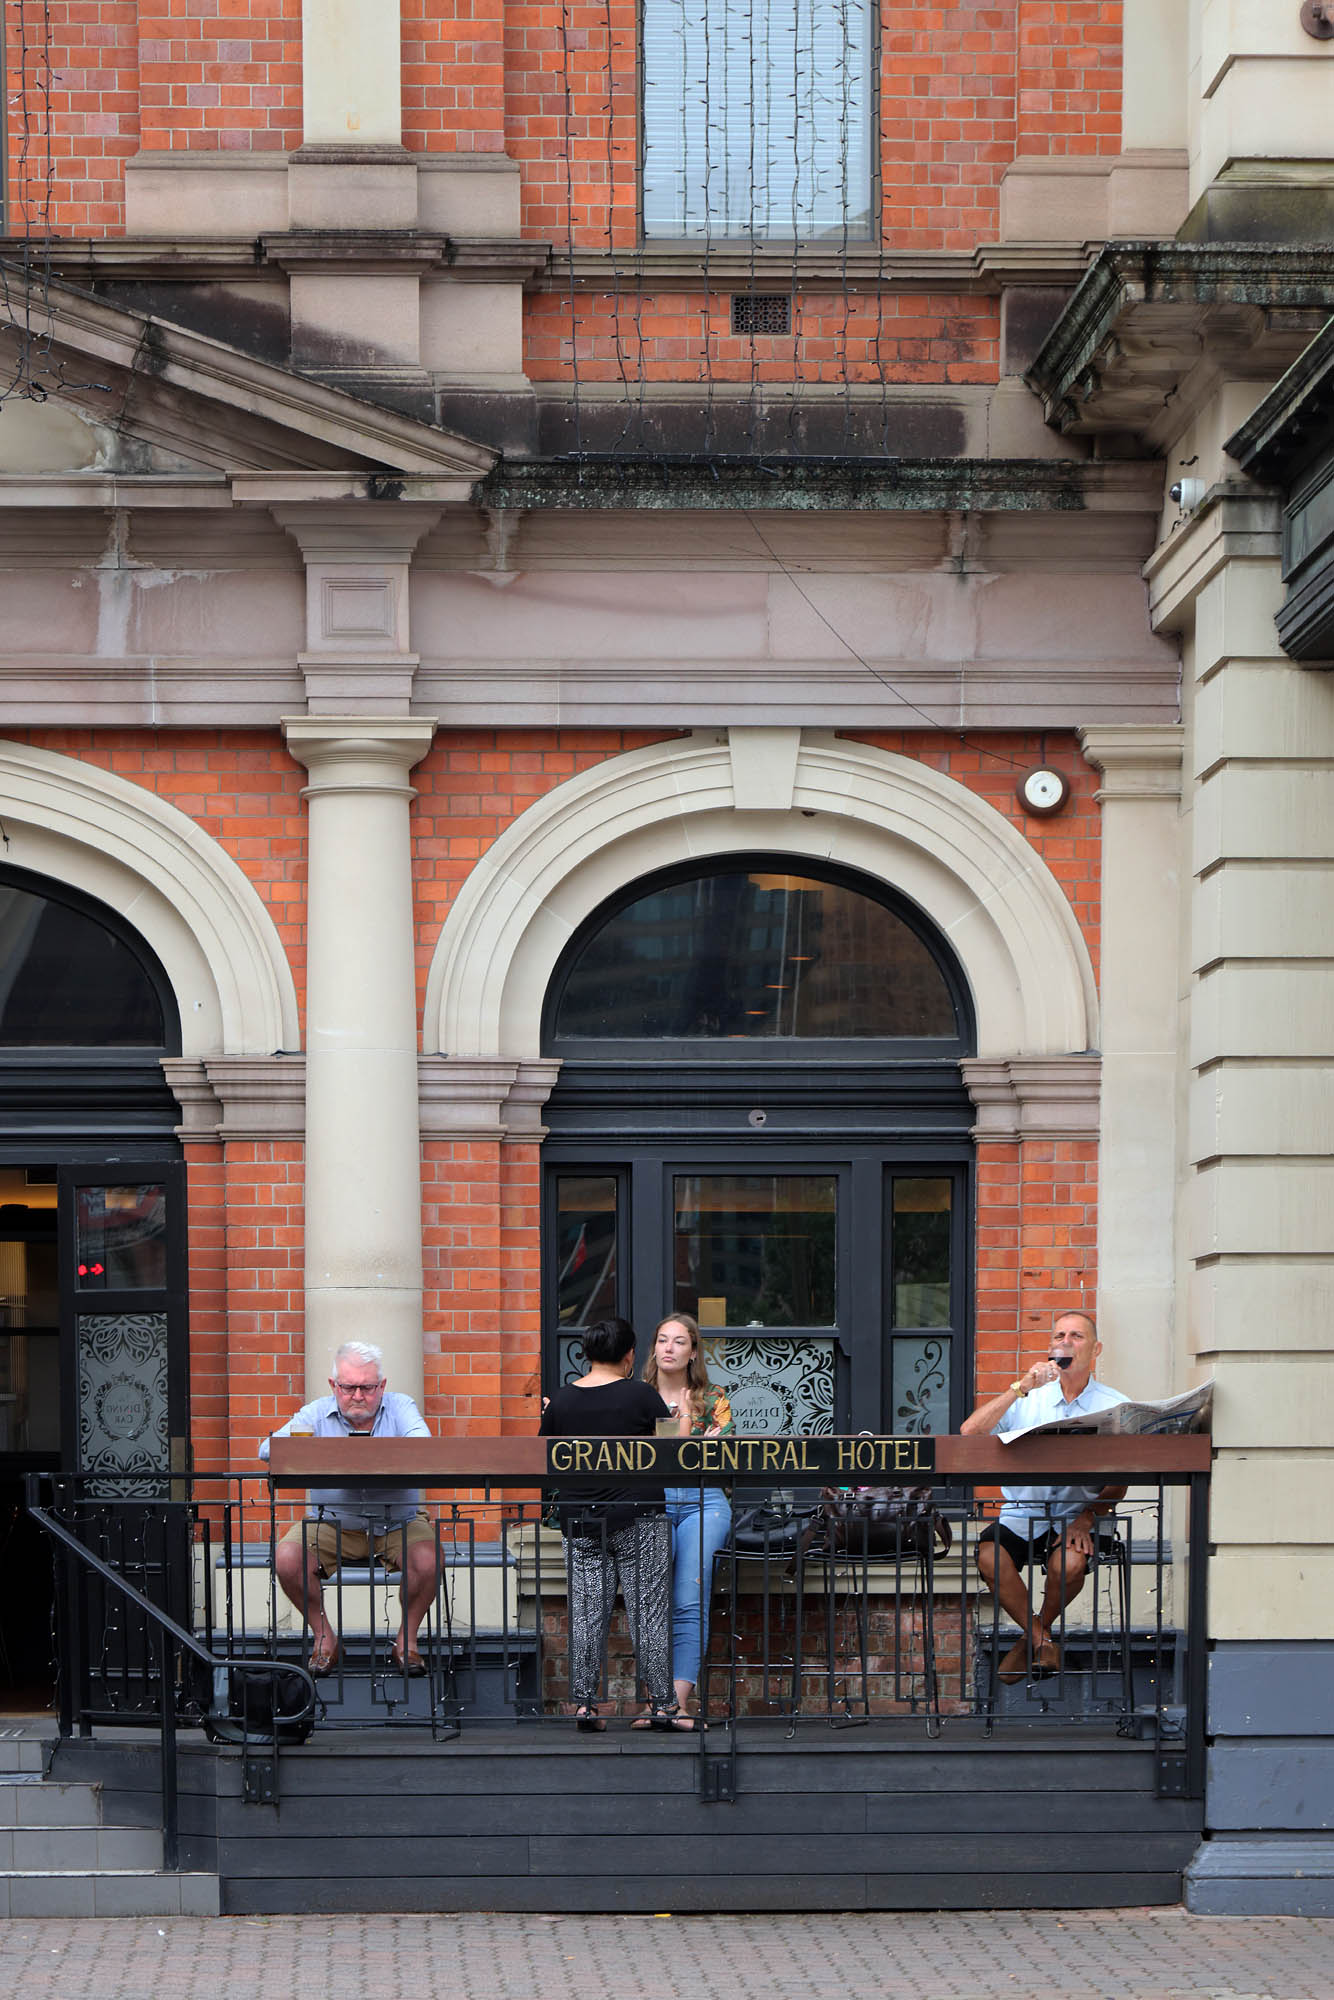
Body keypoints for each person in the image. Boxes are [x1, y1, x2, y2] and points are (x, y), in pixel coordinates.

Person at [961, 1309, 1128, 1685]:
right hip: (1022, 1514)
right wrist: (1020, 1386)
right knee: (989, 1557)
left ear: (1096, 1349)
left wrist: (1088, 1516)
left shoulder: (1116, 1405)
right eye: (1058, 1336)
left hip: (1077, 1516)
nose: (1065, 1342)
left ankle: (1030, 1638)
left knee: (1067, 1566)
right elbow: (970, 1432)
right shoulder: (1026, 1396)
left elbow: (1121, 1481)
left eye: (1076, 1336)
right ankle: (1042, 1639)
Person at [260, 1340, 436, 1678]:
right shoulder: (315, 1412)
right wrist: (320, 1452)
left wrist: (373, 1458)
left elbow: (422, 1445)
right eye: (348, 1387)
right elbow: (268, 1448)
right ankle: (324, 1637)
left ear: (381, 1386)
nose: (357, 1395)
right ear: (333, 1386)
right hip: (331, 1521)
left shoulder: (400, 1407)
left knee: (429, 1559)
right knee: (286, 1558)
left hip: (397, 1520)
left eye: (367, 1388)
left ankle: (408, 1641)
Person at [539, 1315, 676, 1732]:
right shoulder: (642, 1397)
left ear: (587, 1354)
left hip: (581, 1523)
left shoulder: (561, 1401)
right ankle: (663, 1706)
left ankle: (583, 1706)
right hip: (640, 1519)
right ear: (630, 1354)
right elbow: (672, 1456)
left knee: (584, 1615)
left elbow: (545, 1461)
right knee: (648, 1614)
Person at [637, 1312, 733, 1730]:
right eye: (662, 1340)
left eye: (679, 1341)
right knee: (651, 1602)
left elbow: (726, 1453)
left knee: (690, 1600)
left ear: (693, 1351)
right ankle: (657, 1701)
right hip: (651, 1501)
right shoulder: (636, 1397)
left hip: (702, 1499)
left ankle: (674, 1705)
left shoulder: (713, 1396)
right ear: (653, 1348)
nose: (669, 1348)